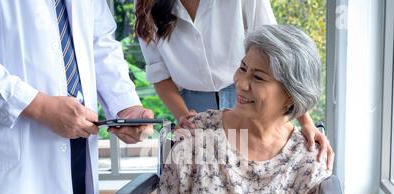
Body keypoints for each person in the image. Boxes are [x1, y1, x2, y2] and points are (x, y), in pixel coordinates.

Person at [142, 25, 331, 194]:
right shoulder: (199, 133)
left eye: (258, 77)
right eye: (242, 69)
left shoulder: (306, 160)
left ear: (290, 94)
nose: (241, 83)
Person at [0, 0, 153, 194]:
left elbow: (99, 41)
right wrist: (38, 106)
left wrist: (125, 105)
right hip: (11, 153)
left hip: (74, 155)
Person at [134, 0, 334, 170]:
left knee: (258, 178)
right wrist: (184, 116)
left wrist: (306, 122)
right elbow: (158, 71)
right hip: (192, 109)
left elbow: (277, 53)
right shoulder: (146, 4)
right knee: (205, 186)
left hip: (251, 98)